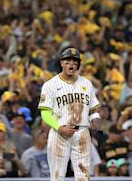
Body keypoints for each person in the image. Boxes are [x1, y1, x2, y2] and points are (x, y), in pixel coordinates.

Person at [38, 47, 101, 181]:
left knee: (84, 177)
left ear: (78, 64)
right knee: (57, 176)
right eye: (67, 61)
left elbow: (93, 110)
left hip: (82, 132)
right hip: (59, 132)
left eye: (74, 61)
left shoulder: (87, 83)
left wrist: (95, 119)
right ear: (61, 63)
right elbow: (45, 114)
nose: (71, 64)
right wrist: (60, 128)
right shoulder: (50, 85)